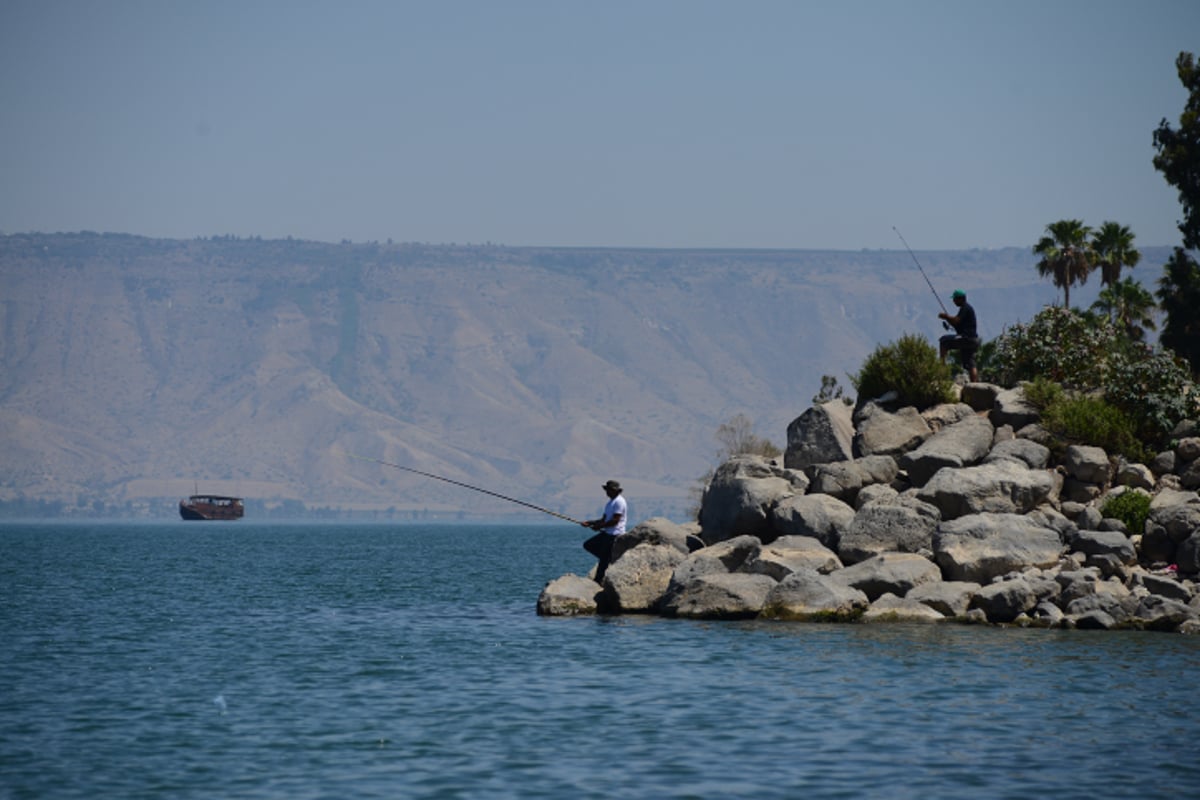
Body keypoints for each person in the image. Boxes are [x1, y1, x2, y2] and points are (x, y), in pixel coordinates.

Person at [580, 479, 626, 584]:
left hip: (615, 534)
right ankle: (609, 560)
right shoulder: (610, 503)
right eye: (607, 490)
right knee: (588, 545)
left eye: (609, 490)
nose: (607, 492)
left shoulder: (619, 502)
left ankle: (598, 580)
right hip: (607, 533)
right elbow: (604, 520)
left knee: (603, 560)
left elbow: (615, 521)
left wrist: (599, 526)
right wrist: (590, 523)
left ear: (616, 491)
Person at [938, 289, 980, 382]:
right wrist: (949, 320)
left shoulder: (965, 308)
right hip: (973, 339)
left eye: (955, 299)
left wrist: (945, 316)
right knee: (970, 362)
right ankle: (975, 383)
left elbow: (956, 320)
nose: (954, 301)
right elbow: (957, 323)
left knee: (943, 341)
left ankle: (942, 369)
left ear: (961, 299)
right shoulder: (966, 308)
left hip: (967, 338)